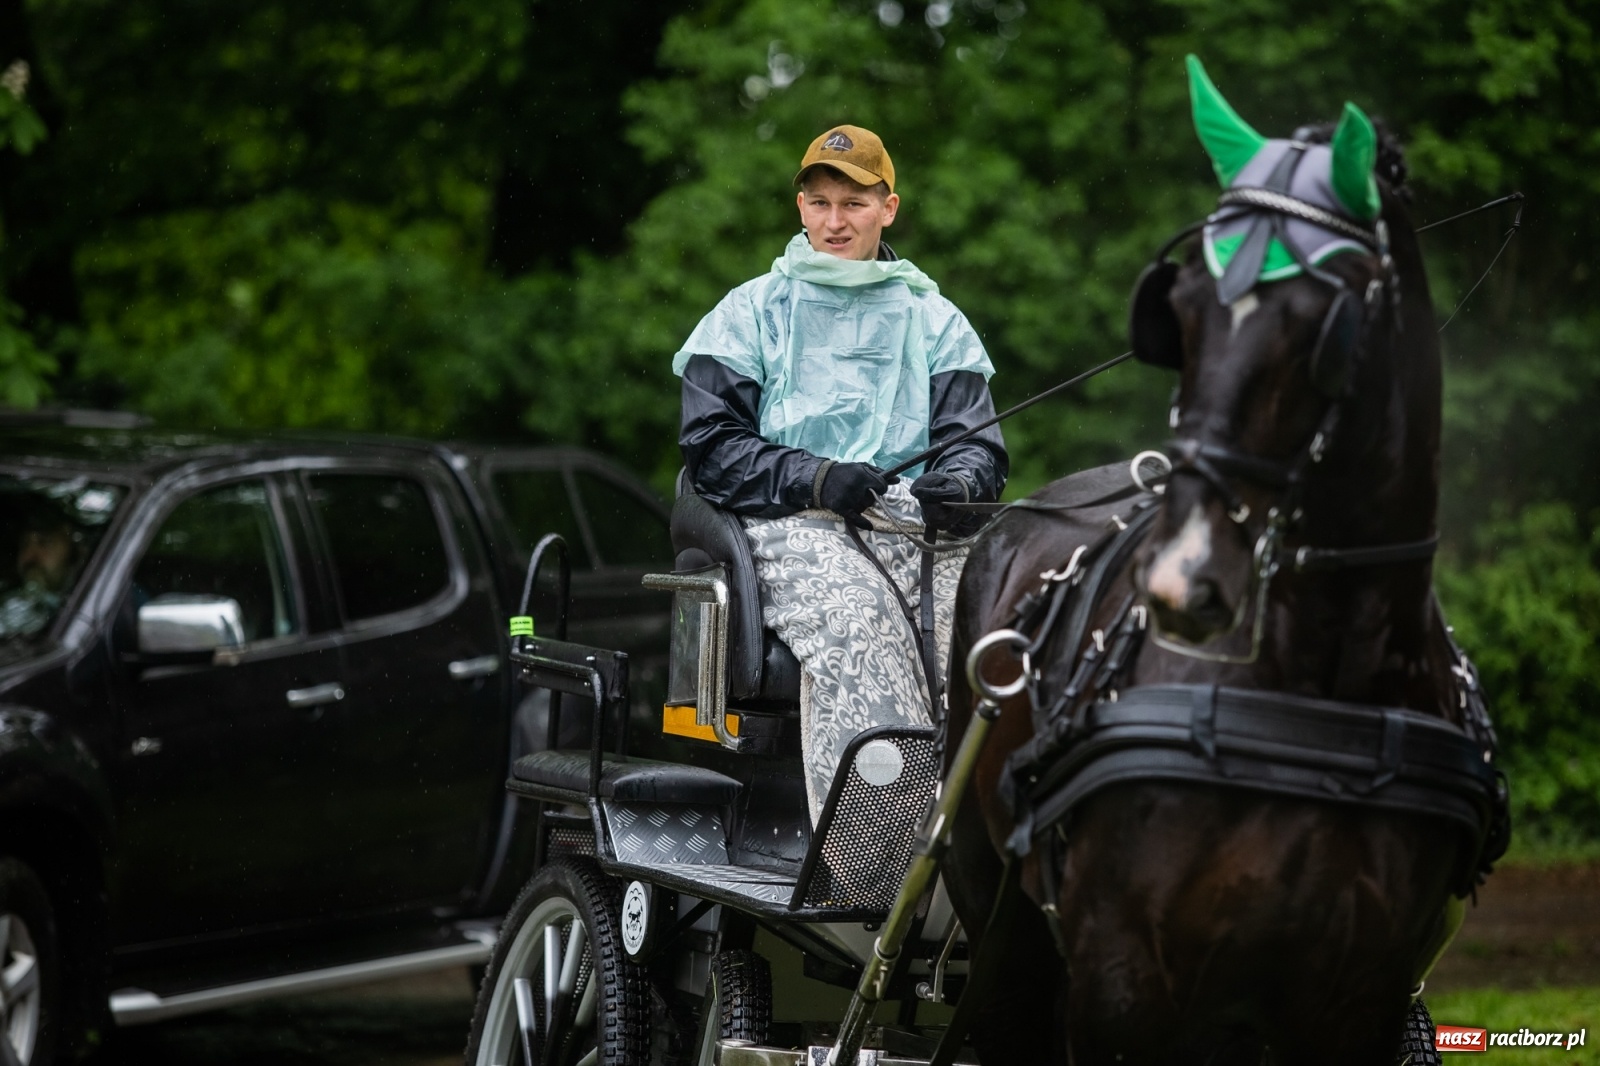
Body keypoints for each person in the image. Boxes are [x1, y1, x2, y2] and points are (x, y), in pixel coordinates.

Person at [673, 125, 1008, 818]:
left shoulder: (935, 319)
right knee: (859, 624)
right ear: (800, 207)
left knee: (991, 636)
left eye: (853, 204)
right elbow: (710, 447)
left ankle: (991, 841)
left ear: (888, 208)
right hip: (792, 521)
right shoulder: (749, 313)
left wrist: (963, 484)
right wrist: (817, 478)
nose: (835, 221)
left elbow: (977, 447)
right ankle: (875, 859)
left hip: (915, 524)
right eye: (820, 202)